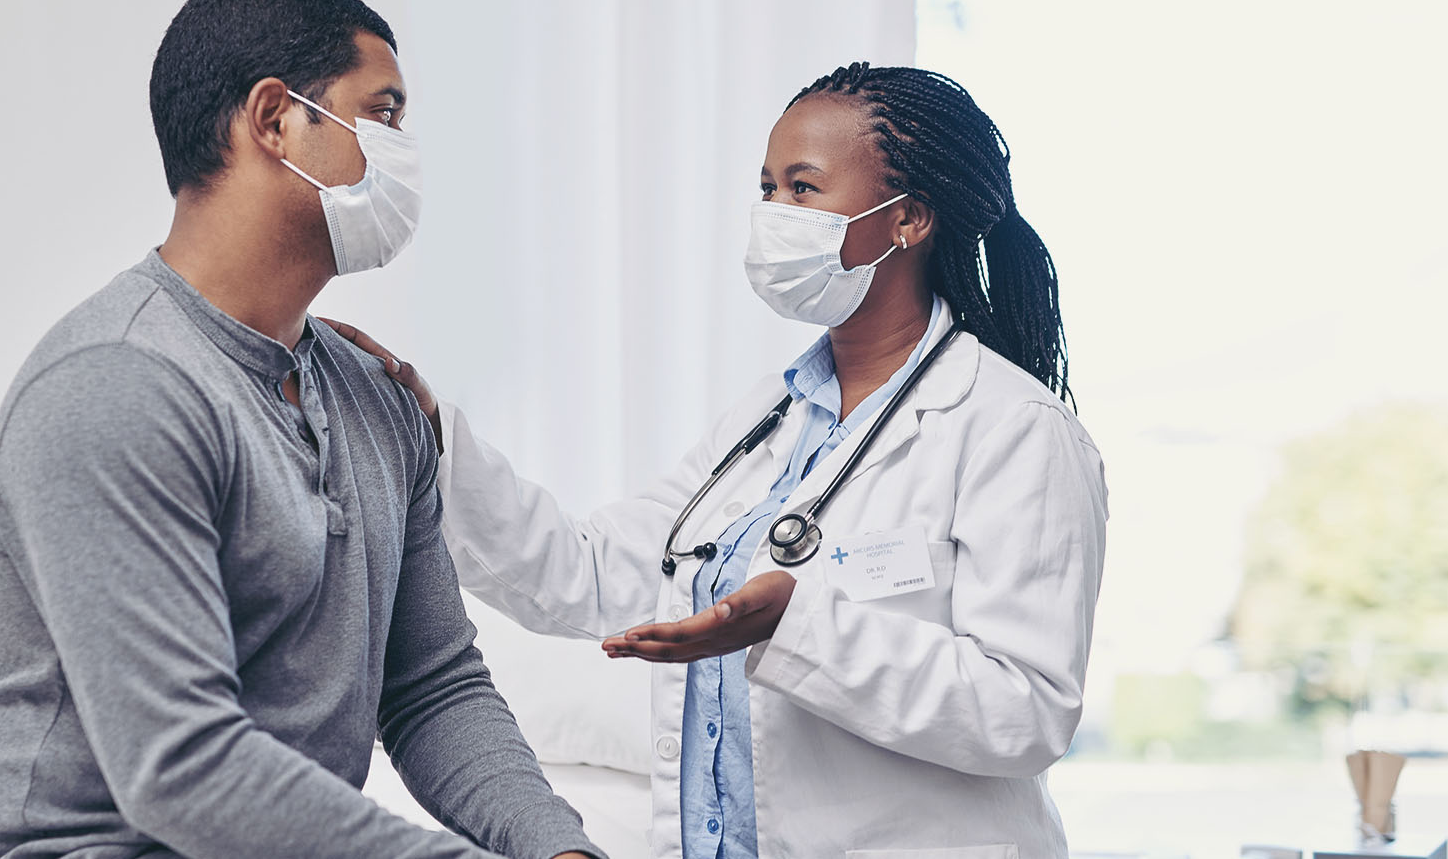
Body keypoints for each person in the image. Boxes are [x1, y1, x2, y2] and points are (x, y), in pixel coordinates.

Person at [331, 63, 1108, 859]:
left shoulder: (1014, 430)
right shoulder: (767, 421)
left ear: (906, 219)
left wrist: (796, 627)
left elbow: (1025, 711)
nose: (772, 214)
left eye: (802, 190)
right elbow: (595, 570)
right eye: (766, 188)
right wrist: (429, 435)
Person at [0, 0, 601, 859]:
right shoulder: (115, 385)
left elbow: (431, 686)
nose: (401, 148)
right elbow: (181, 767)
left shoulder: (377, 398)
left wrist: (557, 851)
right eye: (383, 114)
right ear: (273, 119)